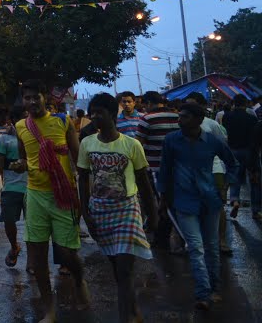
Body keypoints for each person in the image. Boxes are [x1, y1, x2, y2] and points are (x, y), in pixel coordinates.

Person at [78, 93, 157, 323]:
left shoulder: (131, 145)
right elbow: (82, 179)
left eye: (99, 113)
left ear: (113, 115)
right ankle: (133, 311)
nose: (94, 117)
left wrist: (153, 215)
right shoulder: (87, 143)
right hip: (100, 211)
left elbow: (144, 182)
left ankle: (126, 318)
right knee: (117, 267)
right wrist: (85, 213)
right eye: (92, 113)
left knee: (123, 268)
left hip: (127, 211)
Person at [14, 80, 89, 322]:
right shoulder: (20, 126)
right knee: (36, 258)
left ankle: (79, 280)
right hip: (35, 194)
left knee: (67, 253)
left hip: (63, 195)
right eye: (28, 98)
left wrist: (86, 191)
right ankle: (50, 310)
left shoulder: (63, 121)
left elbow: (78, 158)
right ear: (23, 102)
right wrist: (19, 165)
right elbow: (24, 158)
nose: (32, 102)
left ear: (45, 98)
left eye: (36, 97)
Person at [157, 101, 239, 311]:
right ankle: (203, 293)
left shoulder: (212, 141)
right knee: (195, 247)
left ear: (198, 120)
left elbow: (232, 163)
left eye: (185, 116)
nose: (180, 120)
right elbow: (164, 169)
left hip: (210, 200)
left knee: (211, 247)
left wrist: (226, 186)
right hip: (184, 201)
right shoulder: (172, 141)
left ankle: (214, 288)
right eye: (180, 116)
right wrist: (163, 197)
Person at [185, 91, 233, 254]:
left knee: (217, 207)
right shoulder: (182, 125)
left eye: (192, 104)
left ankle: (222, 241)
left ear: (201, 106)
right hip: (192, 173)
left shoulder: (211, 124)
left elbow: (223, 146)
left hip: (215, 169)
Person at [139, 91, 180, 249]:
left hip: (155, 169)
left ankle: (163, 239)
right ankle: (163, 238)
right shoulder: (177, 116)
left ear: (149, 103)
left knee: (161, 203)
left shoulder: (146, 119)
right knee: (171, 202)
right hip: (177, 167)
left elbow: (138, 145)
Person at [0, 106, 28, 268]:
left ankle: (32, 260)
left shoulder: (34, 137)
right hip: (11, 187)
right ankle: (14, 246)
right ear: (12, 121)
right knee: (8, 221)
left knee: (33, 225)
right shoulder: (4, 139)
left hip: (32, 187)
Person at [223, 94, 260, 220]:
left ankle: (235, 200)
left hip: (233, 150)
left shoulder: (227, 117)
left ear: (234, 104)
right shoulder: (252, 119)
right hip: (249, 151)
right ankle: (256, 210)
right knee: (254, 181)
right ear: (246, 104)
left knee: (235, 177)